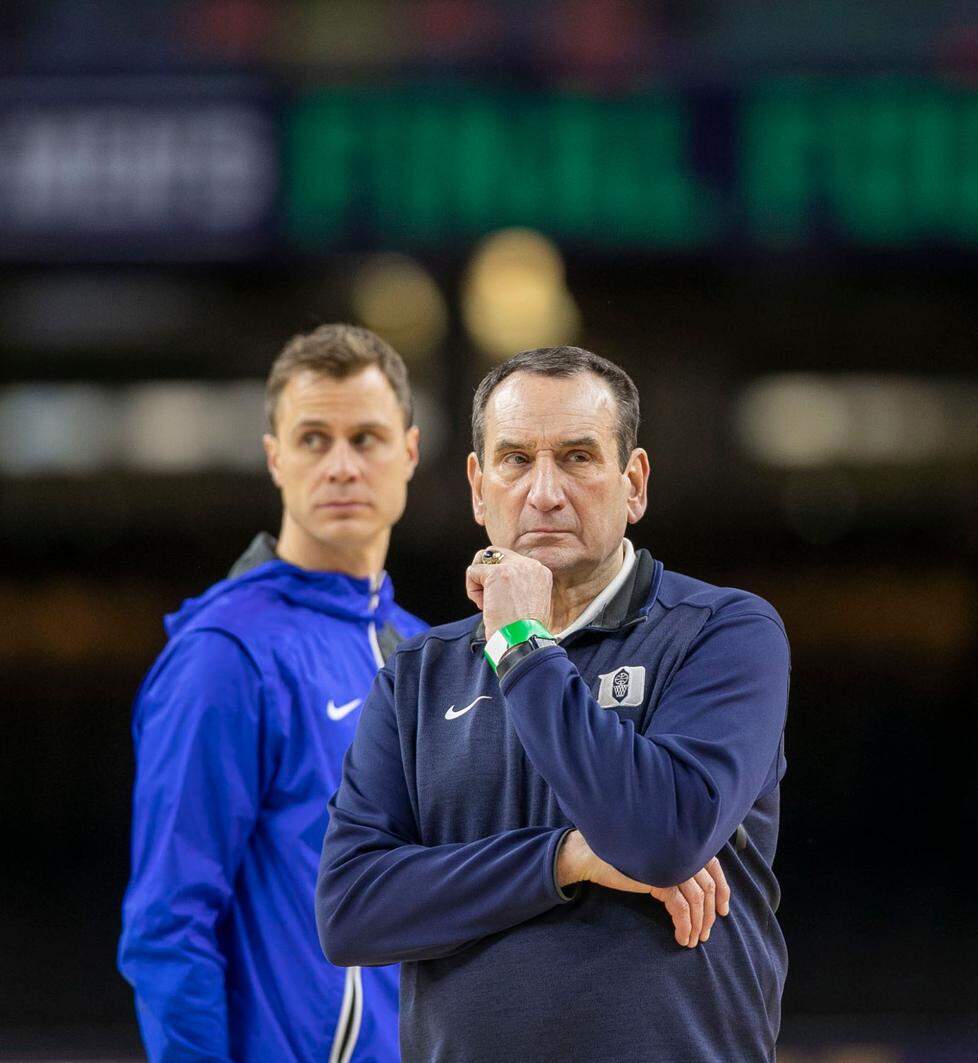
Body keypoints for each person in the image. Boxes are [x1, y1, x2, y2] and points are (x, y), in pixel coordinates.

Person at [316, 346, 791, 1062]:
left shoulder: (724, 633)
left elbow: (662, 837)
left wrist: (521, 644)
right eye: (515, 459)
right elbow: (351, 910)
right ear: (478, 488)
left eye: (576, 457)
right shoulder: (415, 674)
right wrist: (566, 858)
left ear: (633, 483)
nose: (544, 492)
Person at [119, 324, 427, 1062]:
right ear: (275, 459)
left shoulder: (426, 653)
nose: (342, 466)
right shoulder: (225, 656)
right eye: (314, 439)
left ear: (410, 452)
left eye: (367, 438)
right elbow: (168, 925)